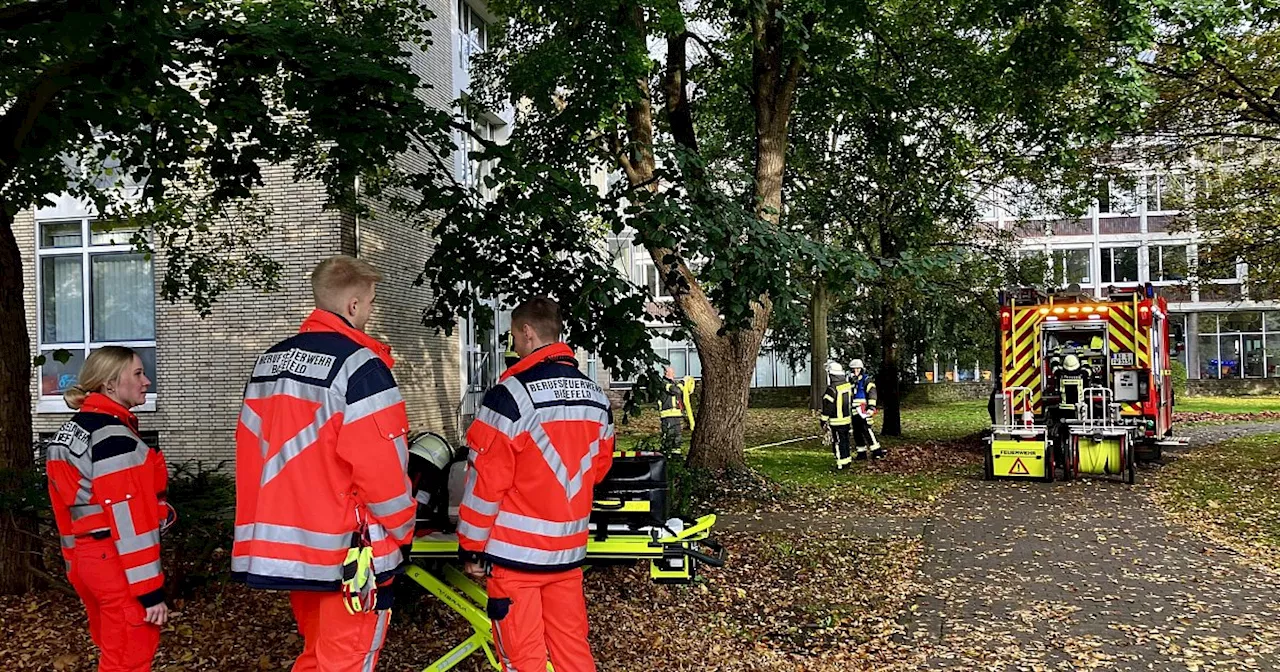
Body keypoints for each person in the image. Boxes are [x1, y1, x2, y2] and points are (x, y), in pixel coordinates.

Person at [233, 256, 416, 672]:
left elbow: (252, 451)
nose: (370, 312)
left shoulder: (268, 364)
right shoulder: (362, 367)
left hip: (291, 549)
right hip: (349, 551)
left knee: (316, 657)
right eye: (370, 303)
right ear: (353, 306)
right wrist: (405, 527)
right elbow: (381, 469)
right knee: (347, 660)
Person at [458, 297, 615, 672]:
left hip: (516, 559)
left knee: (522, 659)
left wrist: (471, 547)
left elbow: (485, 485)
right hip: (568, 553)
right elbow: (598, 469)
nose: (513, 344)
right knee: (573, 653)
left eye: (513, 336)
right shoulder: (596, 397)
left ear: (527, 332)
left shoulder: (509, 397)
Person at [46, 346, 170, 672]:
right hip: (117, 565)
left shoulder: (68, 433)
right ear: (110, 385)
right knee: (128, 657)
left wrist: (74, 564)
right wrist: (150, 592)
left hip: (89, 563)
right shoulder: (114, 438)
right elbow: (130, 521)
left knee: (113, 654)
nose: (146, 381)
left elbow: (64, 510)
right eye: (138, 374)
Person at [819, 362, 854, 470]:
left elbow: (828, 407)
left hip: (836, 421)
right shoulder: (847, 386)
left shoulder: (832, 389)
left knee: (838, 442)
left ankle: (840, 463)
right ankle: (847, 460)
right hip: (847, 419)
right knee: (845, 441)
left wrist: (823, 420)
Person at [847, 359, 882, 459]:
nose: (855, 371)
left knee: (866, 430)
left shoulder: (866, 380)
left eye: (857, 369)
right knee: (856, 432)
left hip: (864, 410)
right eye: (853, 369)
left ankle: (876, 451)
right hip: (854, 410)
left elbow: (872, 393)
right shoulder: (851, 381)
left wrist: (871, 407)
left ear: (861, 369)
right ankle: (861, 453)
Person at [658, 366, 684, 453]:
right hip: (667, 415)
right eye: (672, 373)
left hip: (676, 415)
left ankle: (676, 455)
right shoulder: (663, 383)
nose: (674, 374)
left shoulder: (674, 383)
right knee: (669, 436)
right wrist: (682, 384)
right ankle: (666, 454)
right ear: (666, 373)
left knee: (677, 436)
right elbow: (675, 391)